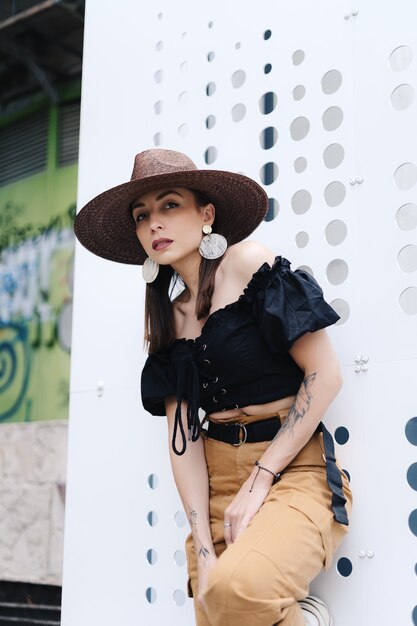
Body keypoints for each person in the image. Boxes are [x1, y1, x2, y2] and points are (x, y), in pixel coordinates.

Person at [74, 148, 352, 626]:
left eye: (168, 205)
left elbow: (325, 376)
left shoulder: (249, 266)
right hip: (217, 483)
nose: (154, 224)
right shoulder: (167, 318)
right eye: (142, 216)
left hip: (292, 470)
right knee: (213, 597)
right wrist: (202, 546)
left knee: (234, 591)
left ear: (206, 215)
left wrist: (260, 479)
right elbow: (182, 443)